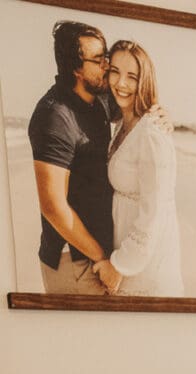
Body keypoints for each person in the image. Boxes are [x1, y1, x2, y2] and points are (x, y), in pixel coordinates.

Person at [93, 40, 183, 297]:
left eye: (132, 76)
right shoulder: (122, 125)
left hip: (147, 271)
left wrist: (120, 265)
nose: (120, 83)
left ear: (144, 81)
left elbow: (153, 211)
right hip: (128, 262)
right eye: (115, 72)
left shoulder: (152, 132)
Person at [28, 21, 112, 294]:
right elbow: (53, 206)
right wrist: (100, 257)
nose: (107, 65)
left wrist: (161, 115)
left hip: (95, 256)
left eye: (106, 55)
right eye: (99, 59)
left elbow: (133, 109)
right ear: (76, 68)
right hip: (74, 262)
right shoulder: (54, 116)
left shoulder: (97, 98)